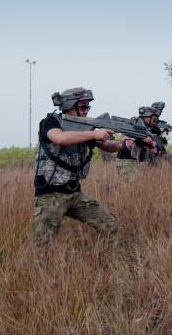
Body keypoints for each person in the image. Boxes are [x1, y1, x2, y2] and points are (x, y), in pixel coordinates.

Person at [33, 87, 124, 247]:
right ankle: (37, 272)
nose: (86, 111)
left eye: (88, 107)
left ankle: (106, 264)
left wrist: (123, 144)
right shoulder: (51, 122)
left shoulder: (83, 130)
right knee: (42, 245)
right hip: (50, 195)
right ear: (69, 106)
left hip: (75, 193)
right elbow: (59, 138)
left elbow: (107, 146)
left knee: (111, 226)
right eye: (83, 107)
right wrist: (95, 133)